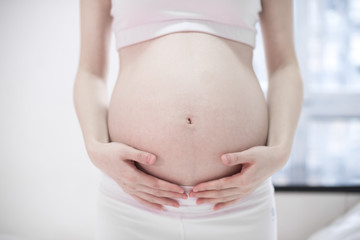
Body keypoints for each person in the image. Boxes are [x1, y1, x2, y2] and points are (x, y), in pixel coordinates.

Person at [73, 0, 303, 239]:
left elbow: (284, 66)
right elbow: (90, 71)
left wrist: (281, 151)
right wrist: (95, 147)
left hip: (239, 200)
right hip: (133, 200)